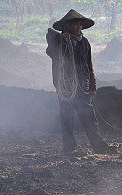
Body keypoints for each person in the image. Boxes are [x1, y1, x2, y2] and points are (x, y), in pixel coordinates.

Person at [46, 9, 116, 154]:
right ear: (67, 26)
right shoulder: (58, 41)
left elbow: (89, 64)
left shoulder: (84, 42)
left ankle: (98, 146)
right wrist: (62, 43)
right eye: (75, 25)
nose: (79, 27)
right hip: (66, 87)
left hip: (83, 87)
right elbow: (51, 52)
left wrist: (93, 85)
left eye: (80, 25)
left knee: (89, 117)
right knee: (67, 118)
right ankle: (69, 148)